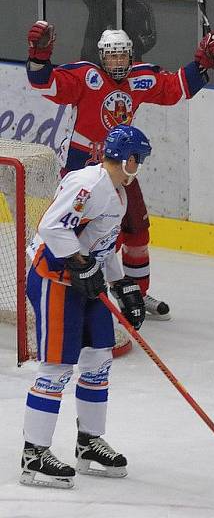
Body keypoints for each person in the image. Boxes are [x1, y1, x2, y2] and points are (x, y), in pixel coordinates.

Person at [26, 20, 214, 320]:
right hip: (83, 167)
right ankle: (73, 289)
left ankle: (136, 294)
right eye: (112, 55)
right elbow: (44, 83)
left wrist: (201, 63)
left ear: (131, 56)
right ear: (101, 56)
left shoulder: (141, 78)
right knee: (86, 233)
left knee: (137, 231)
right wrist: (39, 56)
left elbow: (174, 89)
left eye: (123, 55)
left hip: (122, 168)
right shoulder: (85, 76)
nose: (118, 61)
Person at [19, 125, 151, 489]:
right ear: (130, 159)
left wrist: (122, 282)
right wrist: (81, 263)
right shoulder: (88, 185)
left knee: (98, 360)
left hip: (84, 281)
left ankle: (89, 442)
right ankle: (34, 453)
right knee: (57, 368)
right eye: (140, 159)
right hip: (54, 279)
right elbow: (51, 227)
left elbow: (103, 242)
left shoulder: (117, 191)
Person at [73, 0, 156, 64]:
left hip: (127, 66)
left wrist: (125, 50)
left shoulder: (141, 6)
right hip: (93, 65)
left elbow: (150, 38)